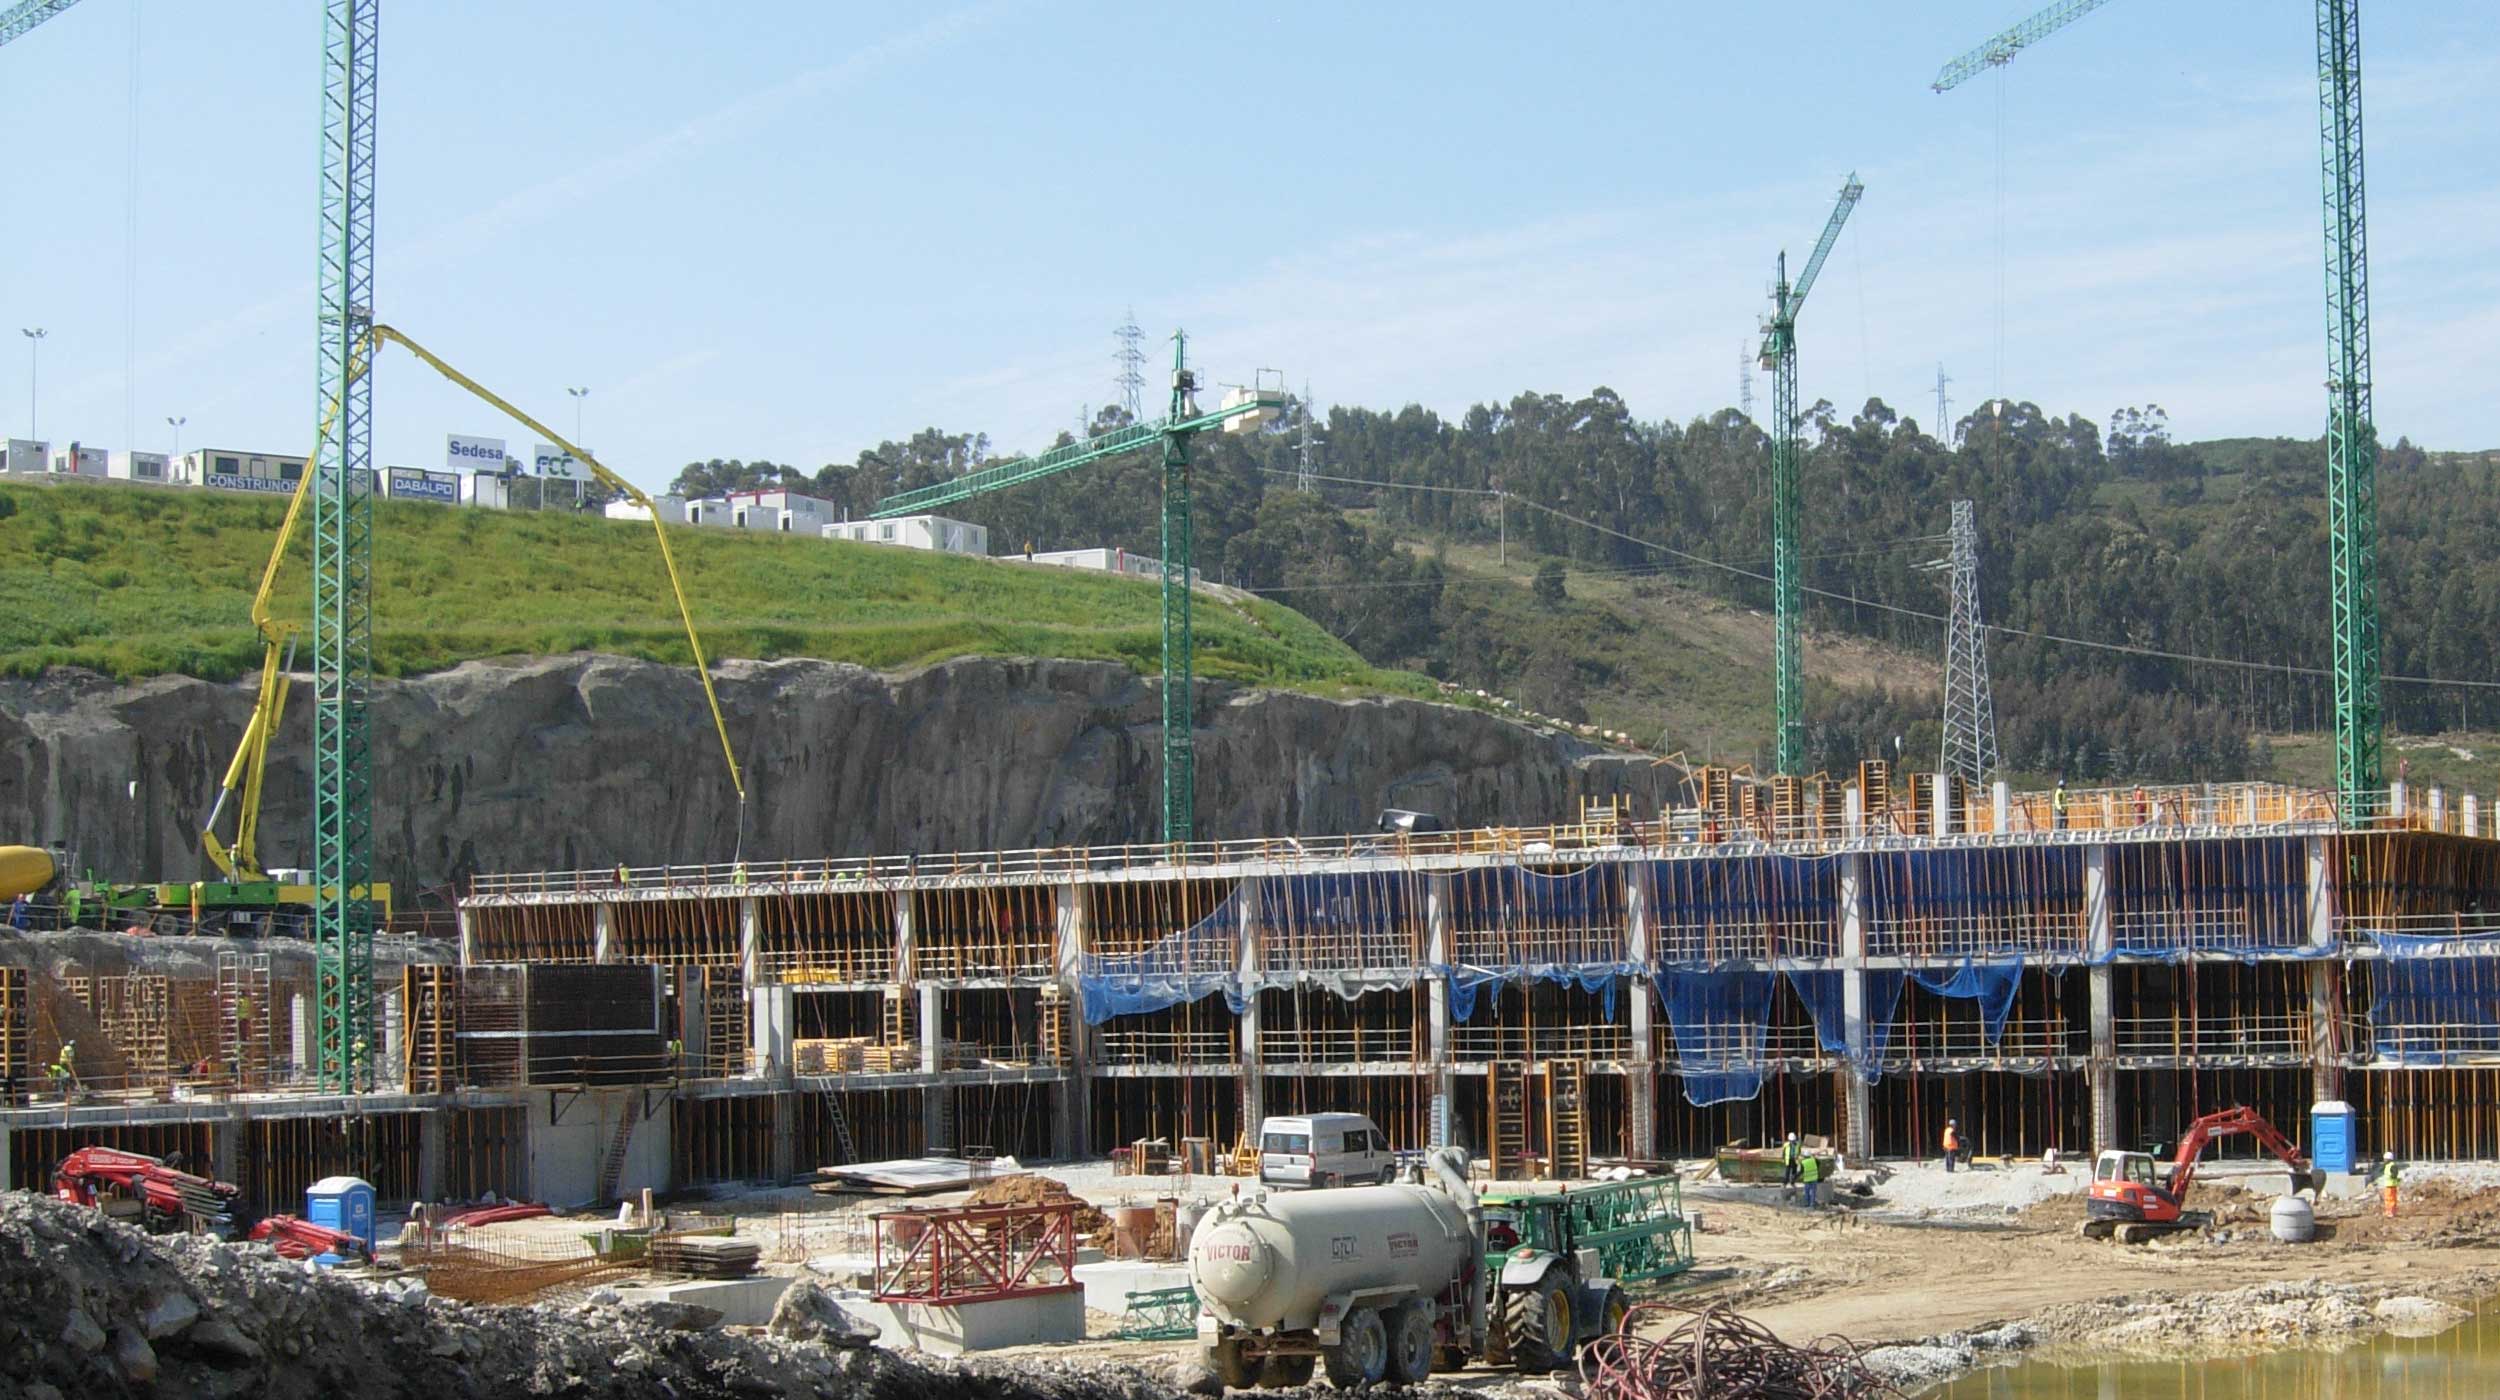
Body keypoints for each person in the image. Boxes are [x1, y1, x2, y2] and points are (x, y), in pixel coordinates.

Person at [2377, 1150, 2402, 1219]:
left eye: (2385, 1159)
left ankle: (2391, 1212)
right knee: (2388, 1199)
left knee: (2391, 1199)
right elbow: (2381, 1169)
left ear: (2389, 1159)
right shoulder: (2387, 1165)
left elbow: (2394, 1174)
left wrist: (2392, 1176)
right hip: (2388, 1185)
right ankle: (2388, 1211)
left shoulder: (2392, 1166)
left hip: (2391, 1185)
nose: (2384, 1160)